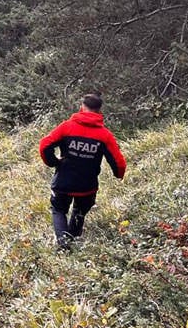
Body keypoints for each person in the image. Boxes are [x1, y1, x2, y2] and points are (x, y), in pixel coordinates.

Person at [37, 93, 126, 249]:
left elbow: (45, 145)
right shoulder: (104, 135)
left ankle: (64, 245)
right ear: (99, 111)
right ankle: (71, 242)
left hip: (63, 181)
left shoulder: (67, 127)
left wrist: (53, 162)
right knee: (80, 212)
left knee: (58, 210)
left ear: (82, 107)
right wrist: (119, 174)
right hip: (87, 185)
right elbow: (119, 162)